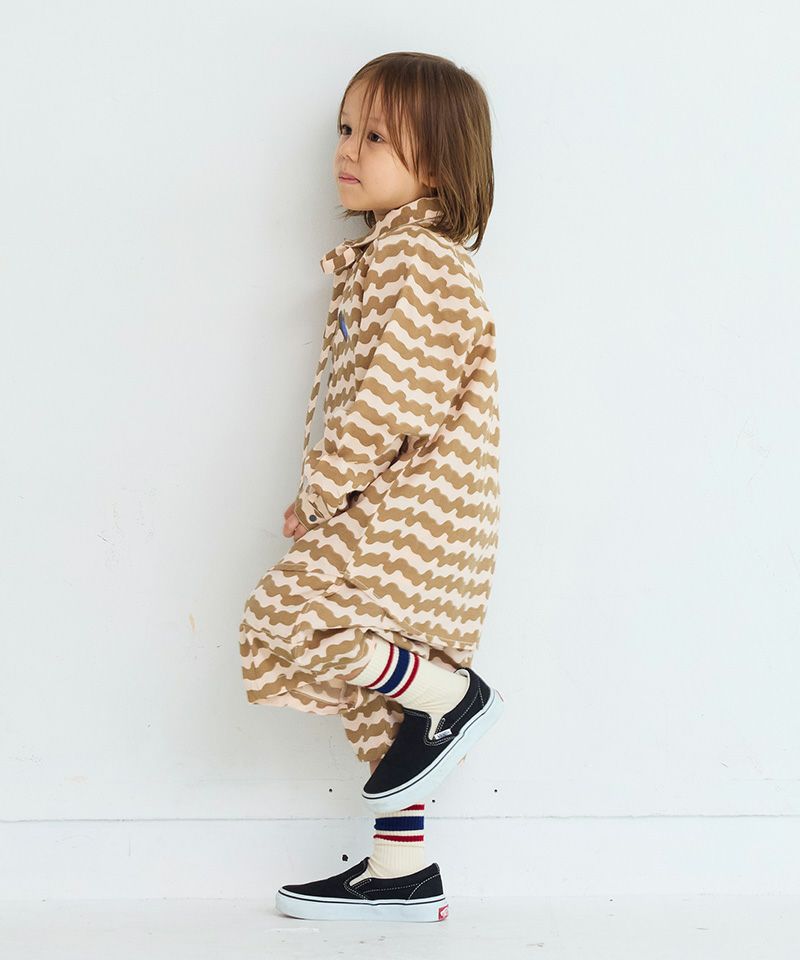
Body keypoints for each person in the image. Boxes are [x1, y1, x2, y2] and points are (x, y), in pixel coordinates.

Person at [239, 50, 504, 923]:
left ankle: (456, 698)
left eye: (377, 136)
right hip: (416, 503)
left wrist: (322, 491)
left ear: (441, 163)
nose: (349, 149)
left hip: (413, 504)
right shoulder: (396, 257)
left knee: (286, 616)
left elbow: (391, 400)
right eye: (346, 129)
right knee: (385, 711)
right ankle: (402, 873)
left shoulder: (415, 260)